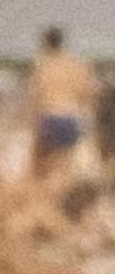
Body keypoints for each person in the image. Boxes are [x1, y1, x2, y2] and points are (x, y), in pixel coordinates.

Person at [30, 28, 95, 170]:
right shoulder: (76, 65)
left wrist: (34, 129)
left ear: (45, 43)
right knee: (69, 165)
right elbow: (87, 94)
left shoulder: (43, 67)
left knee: (48, 167)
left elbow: (36, 99)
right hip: (72, 117)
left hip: (50, 116)